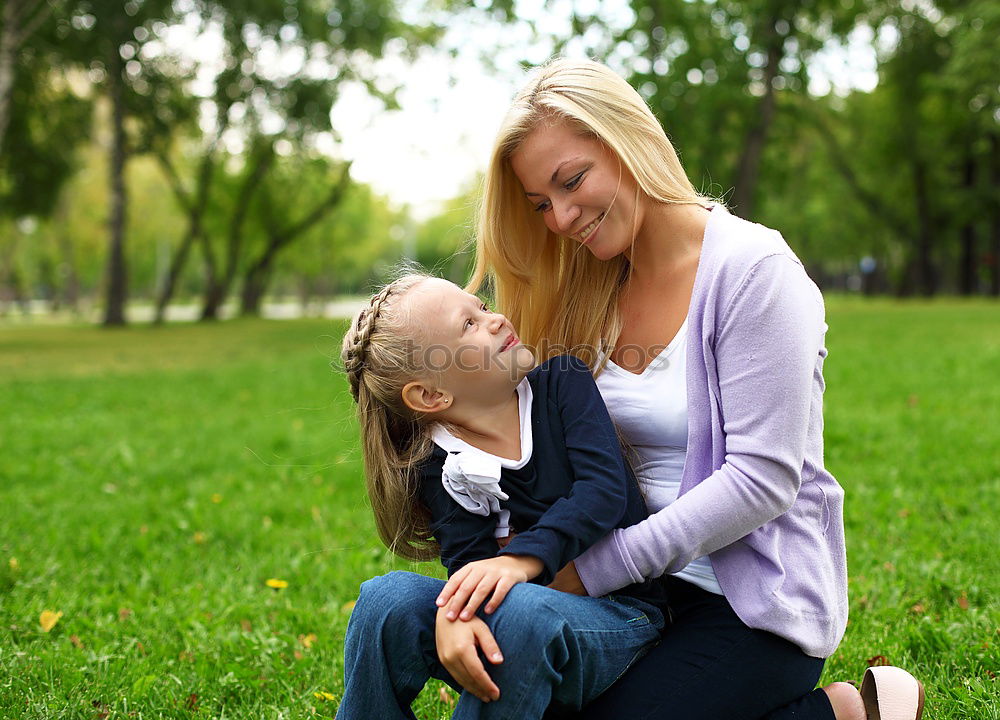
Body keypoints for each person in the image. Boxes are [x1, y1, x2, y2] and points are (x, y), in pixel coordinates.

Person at [434, 58, 924, 720]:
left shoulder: (755, 273)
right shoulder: (586, 285)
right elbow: (516, 447)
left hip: (745, 600)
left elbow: (762, 479)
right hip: (632, 599)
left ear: (630, 138)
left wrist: (595, 571)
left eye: (572, 181)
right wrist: (468, 594)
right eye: (542, 204)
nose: (561, 217)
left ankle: (847, 712)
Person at [336, 273, 670, 719]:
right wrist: (458, 617)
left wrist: (518, 560)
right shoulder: (441, 461)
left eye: (483, 308)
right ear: (431, 394)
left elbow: (603, 493)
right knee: (386, 600)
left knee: (523, 611)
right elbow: (469, 560)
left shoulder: (561, 386)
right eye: (468, 325)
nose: (495, 320)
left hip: (620, 615)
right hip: (516, 617)